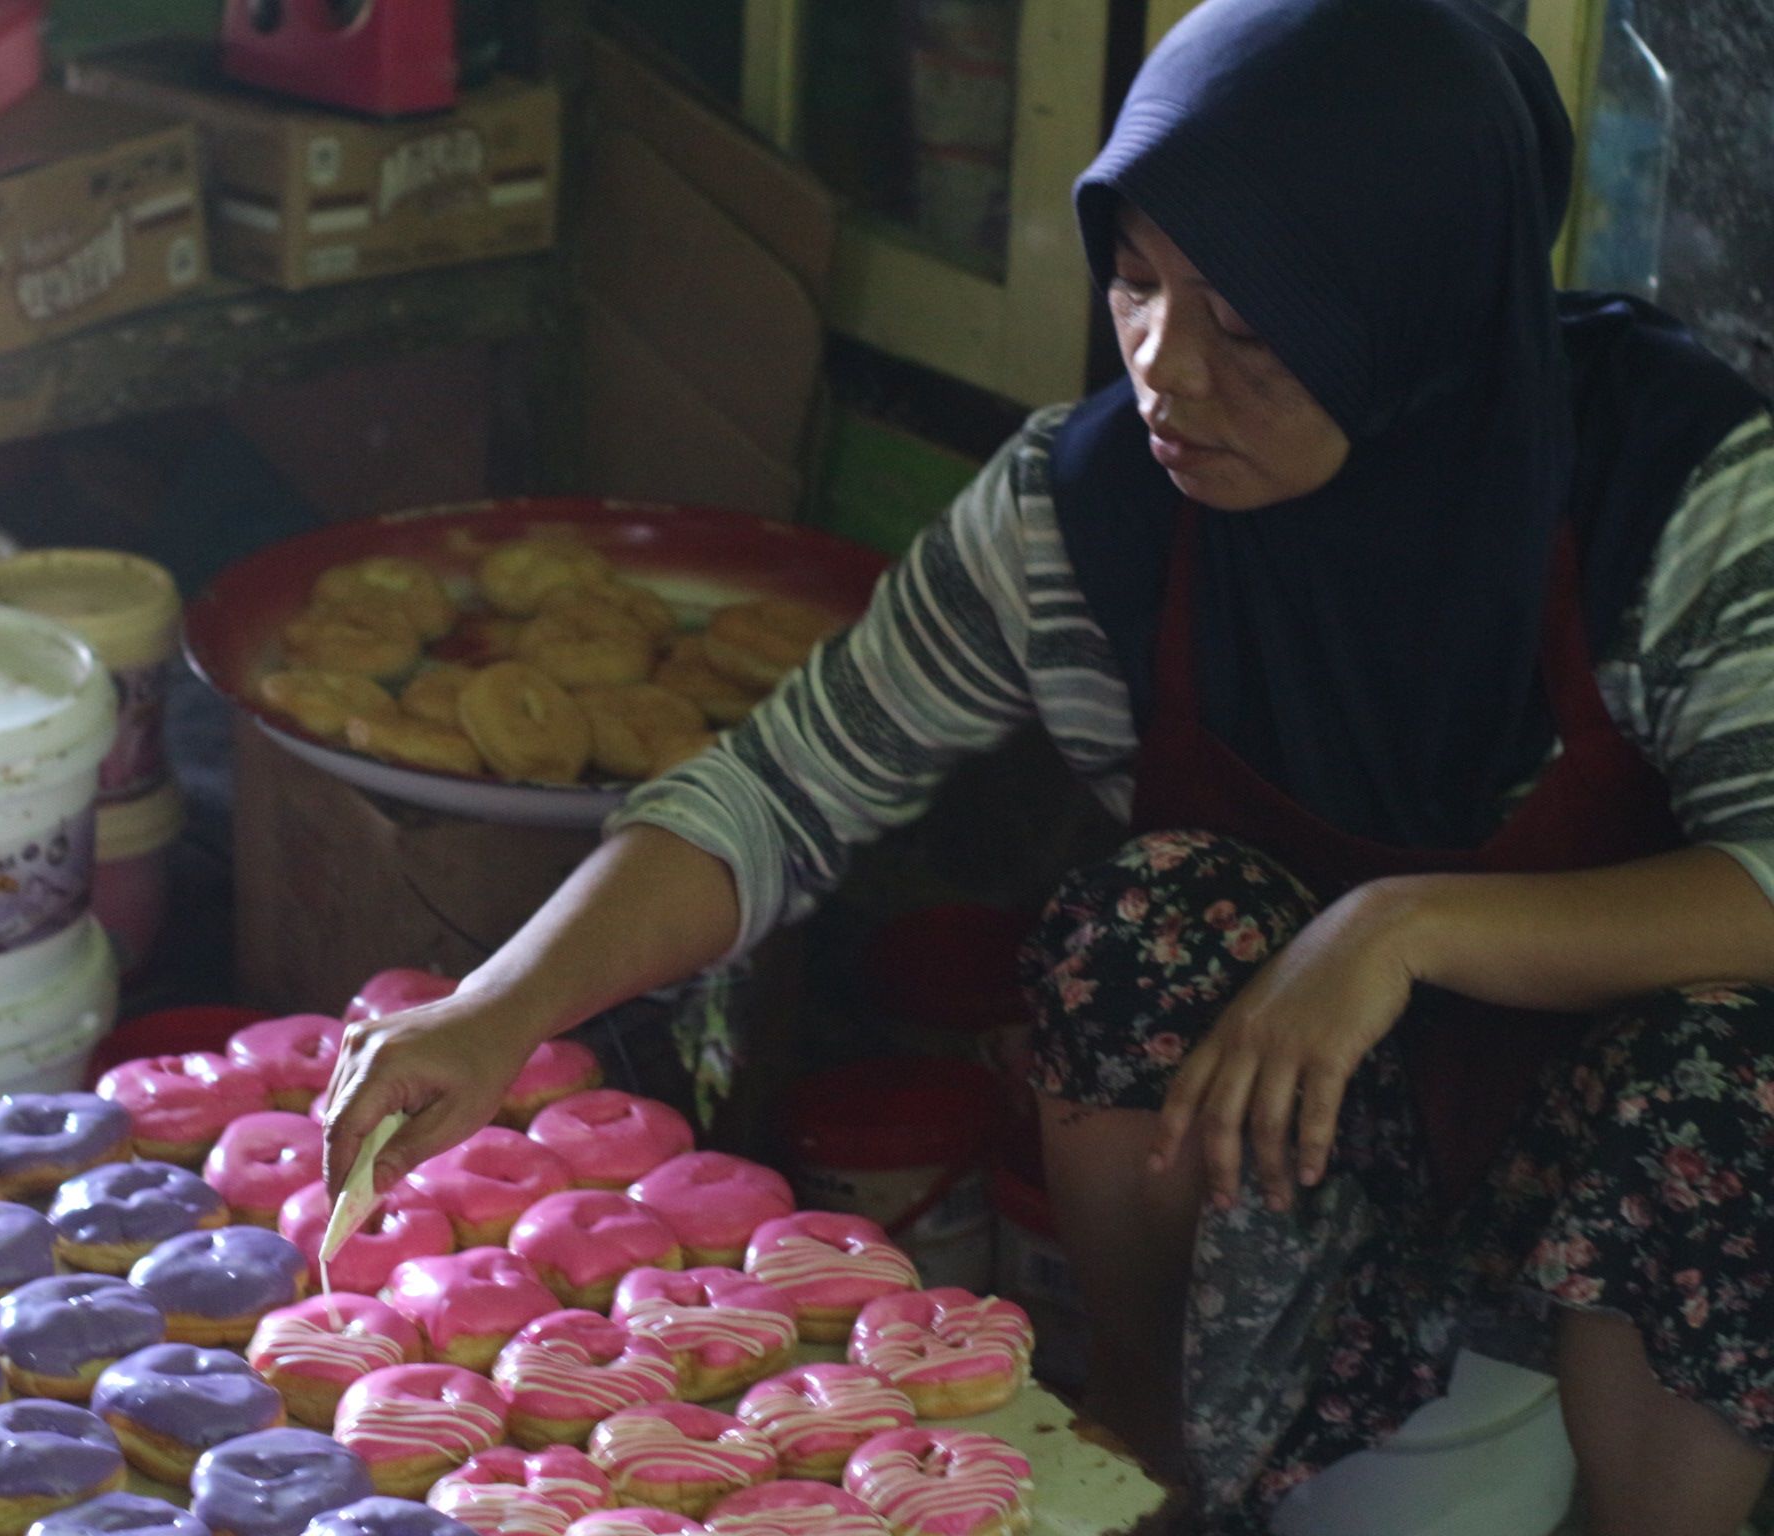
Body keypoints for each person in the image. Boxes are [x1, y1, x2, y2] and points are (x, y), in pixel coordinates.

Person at [322, 1, 1774, 1531]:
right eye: (1137, 284)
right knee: (1145, 929)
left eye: (1252, 327)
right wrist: (505, 1005)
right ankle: (1151, 1449)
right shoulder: (1085, 517)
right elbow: (781, 790)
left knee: (1725, 1081)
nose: (1167, 371)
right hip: (1299, 1141)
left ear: (1414, 304)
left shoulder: (1674, 493)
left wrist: (1400, 929)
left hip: (1608, 1164)